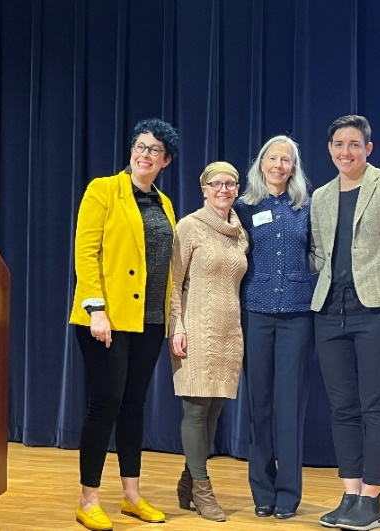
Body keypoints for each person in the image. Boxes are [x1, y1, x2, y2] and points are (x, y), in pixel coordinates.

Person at [69, 118, 179, 531]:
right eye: (140, 146)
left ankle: (132, 495)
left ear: (165, 160)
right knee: (105, 406)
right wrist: (96, 309)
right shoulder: (103, 190)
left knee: (134, 407)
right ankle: (88, 499)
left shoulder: (165, 204)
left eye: (154, 150)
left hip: (149, 322)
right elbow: (87, 252)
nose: (144, 154)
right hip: (107, 320)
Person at [311, 115, 380, 530]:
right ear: (330, 149)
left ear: (368, 149)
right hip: (330, 313)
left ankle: (372, 498)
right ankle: (351, 492)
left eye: (354, 144)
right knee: (342, 407)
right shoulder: (321, 196)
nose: (345, 152)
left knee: (377, 404)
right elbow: (320, 255)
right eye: (338, 144)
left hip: (378, 310)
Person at [234, 135, 313, 520]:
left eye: (287, 159)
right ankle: (262, 489)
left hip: (298, 314)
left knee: (289, 407)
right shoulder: (243, 207)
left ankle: (289, 493)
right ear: (261, 162)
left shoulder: (307, 208)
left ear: (294, 167)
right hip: (257, 313)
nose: (279, 165)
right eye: (272, 157)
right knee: (259, 404)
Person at [168, 161, 248, 522]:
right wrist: (177, 327)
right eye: (215, 183)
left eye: (230, 184)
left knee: (215, 410)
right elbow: (173, 282)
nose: (223, 189)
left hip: (229, 331)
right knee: (197, 410)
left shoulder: (239, 232)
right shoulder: (189, 226)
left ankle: (187, 480)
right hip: (197, 328)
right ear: (203, 188)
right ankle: (202, 488)